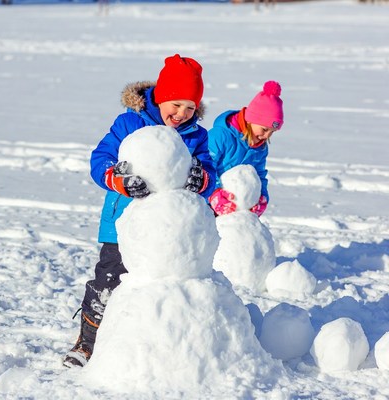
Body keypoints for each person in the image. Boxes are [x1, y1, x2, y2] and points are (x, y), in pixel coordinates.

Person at [63, 54, 216, 368]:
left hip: (170, 230)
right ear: (160, 96)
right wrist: (118, 179)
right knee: (109, 281)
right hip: (122, 224)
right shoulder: (129, 123)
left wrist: (201, 179)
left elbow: (210, 172)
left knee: (163, 284)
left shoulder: (196, 136)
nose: (182, 114)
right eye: (175, 104)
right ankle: (87, 344)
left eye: (190, 107)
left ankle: (156, 348)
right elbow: (100, 160)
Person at [207, 80, 284, 217]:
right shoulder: (220, 136)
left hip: (236, 209)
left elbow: (259, 175)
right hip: (207, 204)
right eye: (265, 129)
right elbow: (204, 166)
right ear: (251, 120)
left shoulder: (260, 148)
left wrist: (261, 197)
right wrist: (214, 193)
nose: (267, 136)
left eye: (272, 132)